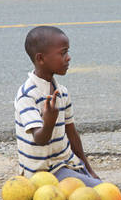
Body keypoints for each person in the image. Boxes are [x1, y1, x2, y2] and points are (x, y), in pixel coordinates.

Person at [14, 26, 101, 186]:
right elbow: (40, 139)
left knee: (103, 190)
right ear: (41, 59)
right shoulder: (27, 95)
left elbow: (72, 134)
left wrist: (89, 170)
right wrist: (49, 121)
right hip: (43, 173)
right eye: (63, 53)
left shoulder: (62, 93)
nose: (68, 58)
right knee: (100, 195)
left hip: (66, 164)